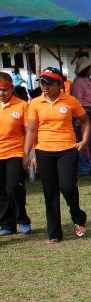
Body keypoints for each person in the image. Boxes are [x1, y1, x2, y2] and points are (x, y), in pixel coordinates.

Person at [24, 68, 90, 244]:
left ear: (60, 84)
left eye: (50, 83)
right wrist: (28, 153)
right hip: (44, 151)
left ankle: (78, 216)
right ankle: (54, 232)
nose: (45, 87)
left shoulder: (70, 101)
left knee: (67, 186)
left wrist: (84, 141)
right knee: (50, 191)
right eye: (42, 83)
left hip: (67, 150)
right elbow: (31, 130)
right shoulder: (35, 103)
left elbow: (84, 121)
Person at [0, 73, 32, 236]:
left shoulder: (22, 106)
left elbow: (28, 132)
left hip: (15, 152)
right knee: (1, 190)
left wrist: (27, 154)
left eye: (5, 89)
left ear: (12, 88)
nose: (2, 93)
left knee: (13, 187)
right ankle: (6, 223)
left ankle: (22, 220)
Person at [71, 56, 91, 177]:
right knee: (85, 142)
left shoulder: (89, 81)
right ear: (87, 68)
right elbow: (77, 100)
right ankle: (85, 168)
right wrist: (79, 117)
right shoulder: (78, 82)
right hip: (86, 113)